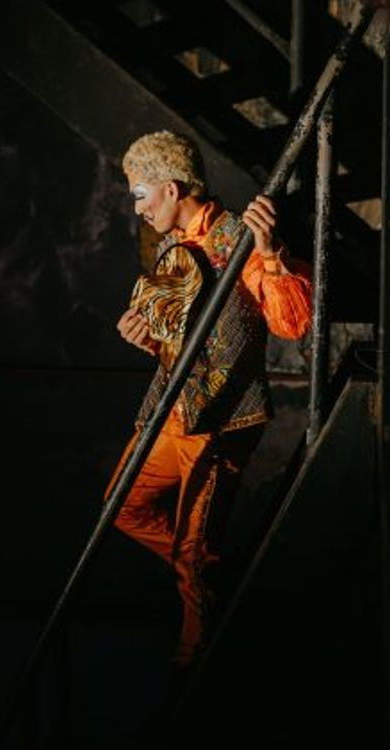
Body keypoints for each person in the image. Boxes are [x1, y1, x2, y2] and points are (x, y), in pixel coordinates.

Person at [105, 130, 312, 667]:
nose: (138, 207)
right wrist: (148, 338)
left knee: (193, 557)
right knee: (124, 507)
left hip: (220, 419)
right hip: (172, 410)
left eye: (140, 193)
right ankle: (215, 573)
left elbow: (292, 324)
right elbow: (180, 341)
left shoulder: (237, 239)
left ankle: (194, 659)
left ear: (171, 189)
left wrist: (270, 254)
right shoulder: (171, 245)